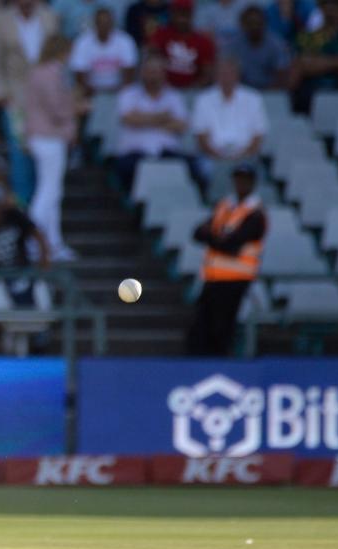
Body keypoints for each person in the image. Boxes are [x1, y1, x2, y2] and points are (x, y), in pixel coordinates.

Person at [187, 163, 266, 356]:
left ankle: (220, 365)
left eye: (245, 180)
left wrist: (215, 236)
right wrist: (219, 238)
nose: (240, 184)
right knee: (200, 328)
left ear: (253, 183)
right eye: (238, 179)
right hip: (213, 278)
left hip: (236, 279)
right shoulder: (225, 206)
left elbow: (232, 245)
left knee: (222, 328)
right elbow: (197, 232)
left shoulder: (256, 214)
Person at [0, 0, 59, 204]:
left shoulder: (49, 17)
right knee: (19, 153)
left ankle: (43, 206)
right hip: (14, 98)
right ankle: (23, 205)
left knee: (45, 154)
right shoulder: (1, 20)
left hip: (45, 99)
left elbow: (56, 57)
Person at [25, 35, 79, 261]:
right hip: (48, 137)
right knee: (48, 192)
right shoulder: (53, 72)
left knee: (54, 192)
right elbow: (57, 108)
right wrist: (77, 106)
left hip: (43, 136)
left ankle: (54, 244)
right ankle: (30, 240)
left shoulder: (40, 72)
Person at [192, 58, 268, 200]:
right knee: (210, 169)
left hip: (245, 156)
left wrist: (241, 155)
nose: (226, 77)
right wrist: (220, 157)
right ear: (216, 75)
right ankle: (215, 205)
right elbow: (201, 137)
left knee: (250, 171)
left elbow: (258, 137)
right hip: (213, 157)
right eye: (222, 73)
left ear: (238, 75)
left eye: (230, 73)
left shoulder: (253, 98)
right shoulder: (203, 99)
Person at [115, 56, 190, 190]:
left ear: (163, 74)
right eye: (149, 71)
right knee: (125, 168)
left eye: (156, 71)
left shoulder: (174, 96)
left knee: (190, 167)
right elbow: (129, 119)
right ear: (142, 73)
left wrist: (143, 118)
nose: (152, 76)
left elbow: (180, 125)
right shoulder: (128, 94)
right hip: (135, 153)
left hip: (167, 152)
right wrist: (163, 117)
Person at [70, 7, 139, 95]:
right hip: (91, 92)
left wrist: (120, 90)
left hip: (120, 91)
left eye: (107, 22)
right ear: (95, 23)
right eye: (101, 23)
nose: (104, 26)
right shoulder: (82, 42)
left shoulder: (125, 40)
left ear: (112, 23)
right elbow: (79, 73)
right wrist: (90, 91)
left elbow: (130, 71)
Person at [149, 0, 216, 88]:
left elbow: (207, 74)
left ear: (191, 15)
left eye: (185, 13)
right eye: (178, 13)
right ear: (172, 13)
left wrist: (194, 89)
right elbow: (151, 63)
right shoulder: (161, 35)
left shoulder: (203, 41)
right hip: (164, 89)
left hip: (192, 91)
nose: (181, 18)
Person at [292, 0, 338, 113]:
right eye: (327, 6)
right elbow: (303, 66)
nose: (331, 11)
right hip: (312, 95)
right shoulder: (307, 38)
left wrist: (320, 63)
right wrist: (337, 63)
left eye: (336, 6)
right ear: (320, 8)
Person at [228, 6, 291, 90]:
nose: (254, 27)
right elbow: (228, 73)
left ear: (265, 23)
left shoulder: (276, 43)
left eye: (258, 23)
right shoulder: (235, 45)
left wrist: (267, 92)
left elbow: (282, 74)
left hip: (271, 91)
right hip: (242, 92)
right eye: (250, 23)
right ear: (243, 25)